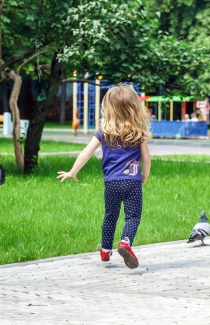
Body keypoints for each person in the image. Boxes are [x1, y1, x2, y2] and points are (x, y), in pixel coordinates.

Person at [57, 84, 152, 269]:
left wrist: (72, 171)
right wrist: (144, 175)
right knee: (132, 217)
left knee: (110, 216)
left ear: (107, 108)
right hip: (132, 182)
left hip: (111, 183)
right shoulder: (138, 133)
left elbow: (86, 153)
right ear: (134, 107)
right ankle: (125, 243)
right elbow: (147, 158)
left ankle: (105, 250)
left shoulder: (104, 133)